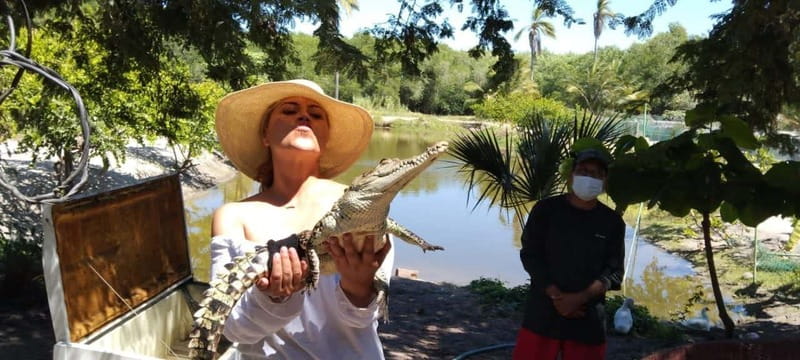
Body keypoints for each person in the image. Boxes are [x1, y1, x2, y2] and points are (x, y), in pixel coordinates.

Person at [209, 79, 394, 359]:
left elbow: (361, 319)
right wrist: (272, 298)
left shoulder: (361, 202)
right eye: (289, 110)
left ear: (326, 137)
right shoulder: (233, 216)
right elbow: (232, 330)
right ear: (265, 134)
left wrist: (359, 288)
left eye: (316, 114)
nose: (303, 116)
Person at [513, 148, 625, 360]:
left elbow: (614, 271)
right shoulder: (545, 210)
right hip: (543, 312)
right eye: (583, 171)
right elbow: (530, 255)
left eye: (596, 173)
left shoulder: (612, 222)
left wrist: (579, 299)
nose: (589, 177)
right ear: (570, 175)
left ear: (604, 181)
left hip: (588, 318)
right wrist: (556, 296)